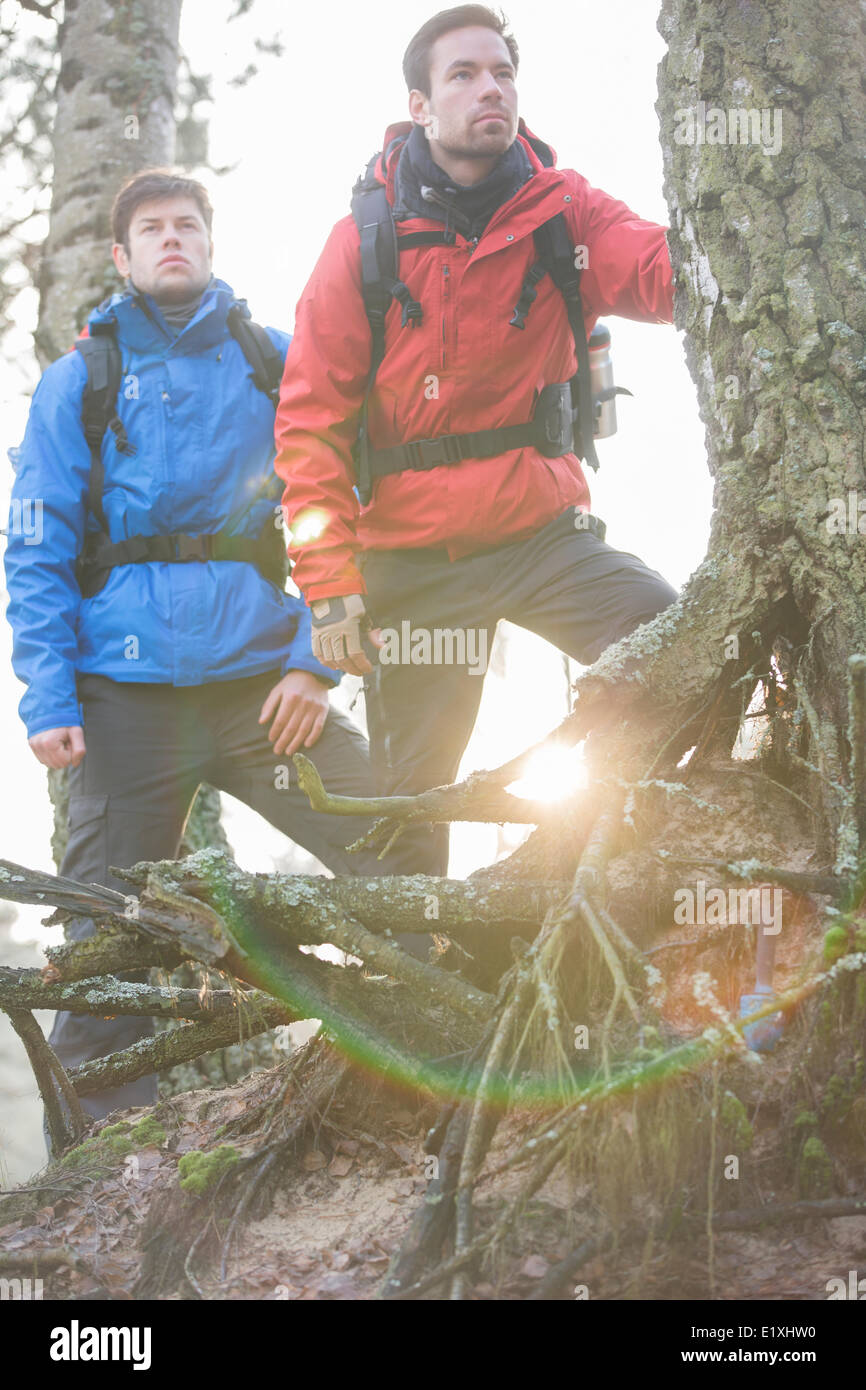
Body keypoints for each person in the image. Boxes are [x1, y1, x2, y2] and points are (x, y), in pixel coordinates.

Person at [5, 169, 381, 1122]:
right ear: (121, 258)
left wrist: (314, 657)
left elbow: (348, 509)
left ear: (208, 245)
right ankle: (96, 1180)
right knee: (105, 945)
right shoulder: (77, 379)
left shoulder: (274, 363)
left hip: (264, 690)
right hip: (122, 702)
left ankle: (433, 1068)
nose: (172, 239)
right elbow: (36, 543)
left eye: (187, 225)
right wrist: (48, 695)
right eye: (151, 229)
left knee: (395, 836)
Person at [274, 4, 678, 877]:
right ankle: (431, 982)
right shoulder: (362, 244)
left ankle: (590, 864)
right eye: (462, 75)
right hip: (414, 564)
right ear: (419, 105)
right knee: (410, 811)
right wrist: (331, 587)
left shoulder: (564, 210)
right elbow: (308, 427)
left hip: (542, 536)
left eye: (501, 72)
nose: (489, 88)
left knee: (675, 648)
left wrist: (743, 247)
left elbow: (657, 270)